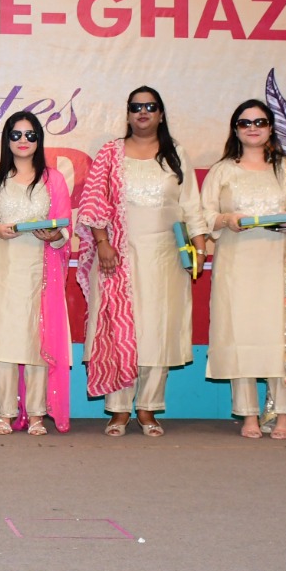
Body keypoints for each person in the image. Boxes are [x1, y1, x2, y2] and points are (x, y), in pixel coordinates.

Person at [75, 87, 207, 438]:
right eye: (136, 107)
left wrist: (199, 247)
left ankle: (148, 407)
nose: (143, 112)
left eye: (150, 106)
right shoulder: (110, 153)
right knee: (119, 330)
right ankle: (119, 410)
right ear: (128, 114)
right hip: (118, 254)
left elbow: (190, 205)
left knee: (157, 331)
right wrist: (102, 243)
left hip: (166, 257)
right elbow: (94, 203)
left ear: (161, 114)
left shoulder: (175, 154)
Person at [200, 100, 286, 440]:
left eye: (260, 122)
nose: (252, 128)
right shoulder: (222, 171)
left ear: (270, 128)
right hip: (236, 265)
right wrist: (226, 219)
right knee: (240, 336)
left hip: (280, 266)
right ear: (235, 129)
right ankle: (249, 415)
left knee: (279, 338)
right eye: (245, 123)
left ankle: (284, 414)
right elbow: (202, 215)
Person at [0, 112, 73, 435]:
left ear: (39, 139)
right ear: (7, 140)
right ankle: (5, 414)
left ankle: (37, 414)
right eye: (16, 135)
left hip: (39, 270)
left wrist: (54, 235)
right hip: (2, 267)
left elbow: (65, 225)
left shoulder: (52, 179)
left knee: (36, 339)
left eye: (30, 135)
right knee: (4, 339)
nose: (23, 141)